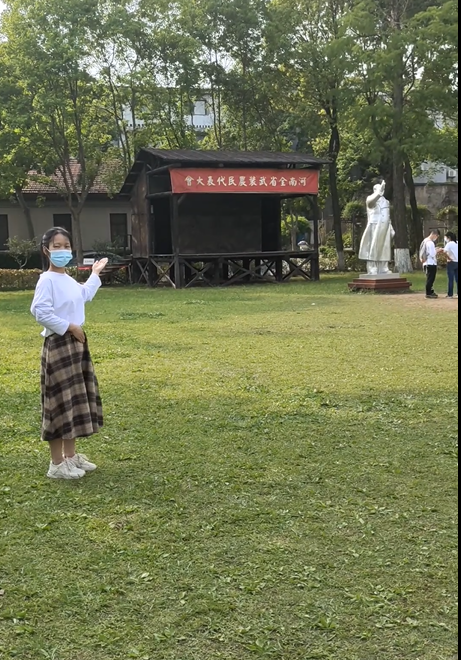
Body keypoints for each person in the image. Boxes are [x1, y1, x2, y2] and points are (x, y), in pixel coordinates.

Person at [31, 228, 108, 480]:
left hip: (75, 346)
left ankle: (70, 456)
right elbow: (40, 311)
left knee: (73, 400)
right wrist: (70, 327)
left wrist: (95, 274)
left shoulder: (67, 279)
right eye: (57, 246)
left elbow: (83, 295)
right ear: (46, 251)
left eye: (66, 246)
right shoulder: (47, 280)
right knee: (59, 403)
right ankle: (56, 464)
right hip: (59, 345)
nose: (62, 250)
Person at [359, 180, 396, 275]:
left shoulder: (386, 201)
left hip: (385, 226)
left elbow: (388, 215)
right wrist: (379, 193)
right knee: (373, 247)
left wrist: (391, 227)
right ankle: (372, 267)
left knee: (385, 247)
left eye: (382, 189)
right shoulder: (371, 198)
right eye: (379, 189)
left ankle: (383, 267)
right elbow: (370, 204)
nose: (381, 190)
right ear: (375, 190)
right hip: (375, 225)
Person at [420, 228, 441, 299]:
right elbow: (432, 254)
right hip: (430, 263)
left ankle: (430, 291)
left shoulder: (425, 241)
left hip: (426, 262)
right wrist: (437, 250)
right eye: (437, 236)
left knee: (429, 278)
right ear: (434, 234)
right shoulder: (430, 243)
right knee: (430, 279)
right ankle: (428, 293)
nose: (436, 238)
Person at [439, 231, 458, 299]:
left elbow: (445, 252)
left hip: (451, 262)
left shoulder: (449, 243)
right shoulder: (457, 242)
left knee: (451, 279)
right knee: (457, 278)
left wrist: (448, 258)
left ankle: (450, 294)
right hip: (457, 262)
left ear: (449, 237)